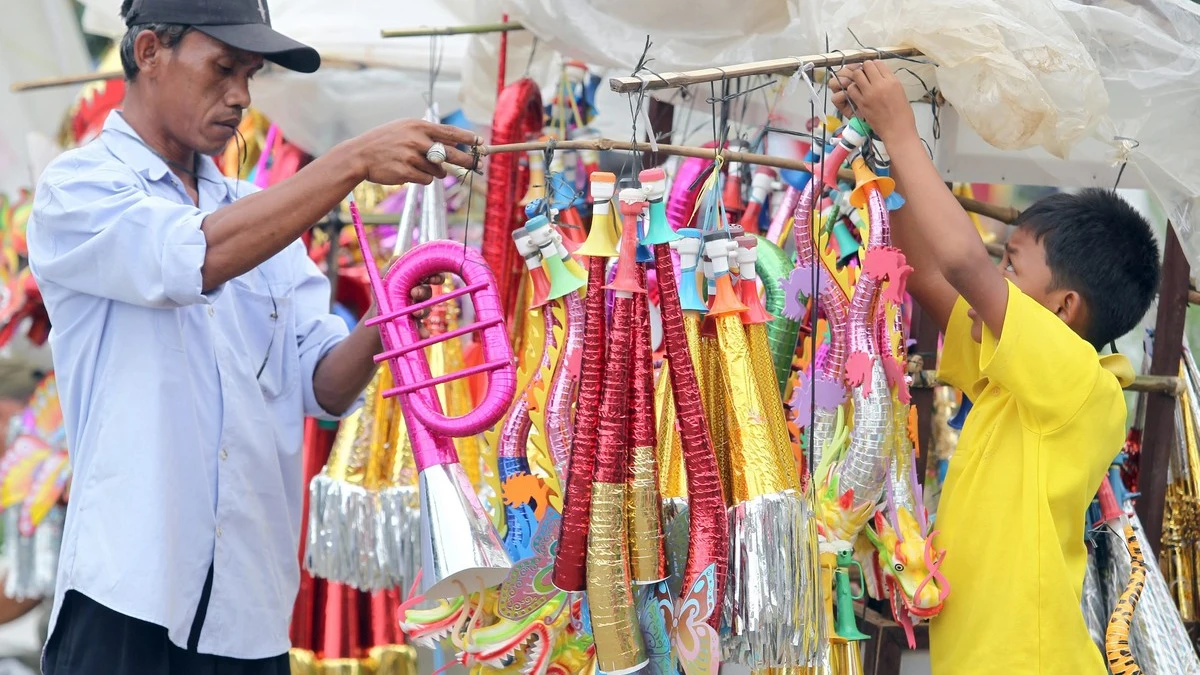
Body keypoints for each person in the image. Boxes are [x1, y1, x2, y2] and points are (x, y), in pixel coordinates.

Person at [25, 0, 479, 672]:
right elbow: (194, 258)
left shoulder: (255, 212)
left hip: (249, 614)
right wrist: (351, 160)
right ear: (149, 51)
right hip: (127, 597)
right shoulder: (79, 188)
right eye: (224, 69)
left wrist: (393, 314)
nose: (240, 96)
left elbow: (320, 382)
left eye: (251, 75)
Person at [831, 61, 1160, 673]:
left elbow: (960, 263)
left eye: (1012, 265)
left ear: (1063, 308)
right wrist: (882, 158)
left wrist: (903, 131)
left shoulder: (1082, 386)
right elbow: (928, 274)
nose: (996, 277)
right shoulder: (1012, 382)